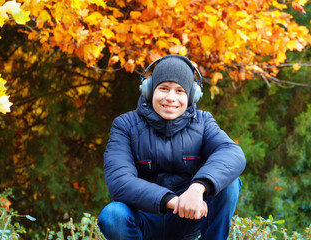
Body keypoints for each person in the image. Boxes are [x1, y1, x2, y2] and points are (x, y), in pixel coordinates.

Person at [98, 55, 246, 240]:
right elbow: (120, 182)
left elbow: (232, 153)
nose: (170, 98)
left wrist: (198, 188)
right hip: (144, 218)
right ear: (149, 90)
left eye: (180, 91)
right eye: (163, 88)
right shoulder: (125, 125)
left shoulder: (203, 122)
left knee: (229, 184)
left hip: (189, 219)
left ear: (191, 96)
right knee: (113, 215)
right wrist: (173, 201)